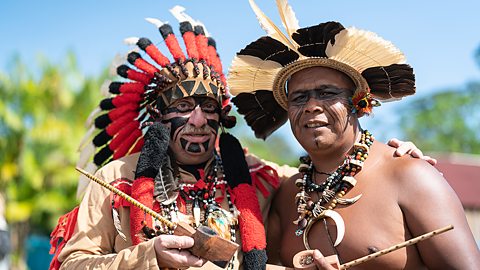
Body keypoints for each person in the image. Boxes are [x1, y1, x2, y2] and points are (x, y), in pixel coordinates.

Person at [50, 7, 433, 270]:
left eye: (208, 107)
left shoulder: (258, 178)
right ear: (157, 115)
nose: (198, 120)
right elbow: (72, 263)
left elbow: (326, 175)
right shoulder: (119, 181)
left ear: (222, 117)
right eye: (183, 106)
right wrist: (148, 256)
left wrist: (385, 159)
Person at [228, 1, 480, 269]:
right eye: (299, 97)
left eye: (327, 93)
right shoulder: (287, 194)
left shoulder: (409, 175)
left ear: (359, 105)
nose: (312, 105)